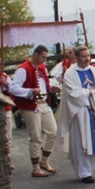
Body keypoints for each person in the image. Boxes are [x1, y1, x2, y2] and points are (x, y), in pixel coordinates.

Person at [55, 46, 95, 184]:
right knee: (81, 143)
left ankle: (94, 169)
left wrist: (92, 93)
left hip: (94, 110)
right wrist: (89, 93)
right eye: (83, 56)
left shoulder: (93, 70)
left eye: (88, 56)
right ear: (77, 57)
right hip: (80, 112)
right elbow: (73, 93)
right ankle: (84, 172)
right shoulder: (70, 73)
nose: (87, 59)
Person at [9, 45, 59, 178]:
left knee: (52, 131)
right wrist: (30, 92)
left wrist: (52, 88)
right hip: (31, 105)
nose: (44, 60)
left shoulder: (41, 67)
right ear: (35, 55)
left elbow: (42, 83)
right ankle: (35, 168)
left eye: (45, 57)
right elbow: (13, 88)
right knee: (36, 137)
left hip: (44, 104)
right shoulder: (23, 69)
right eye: (43, 57)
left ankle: (44, 161)